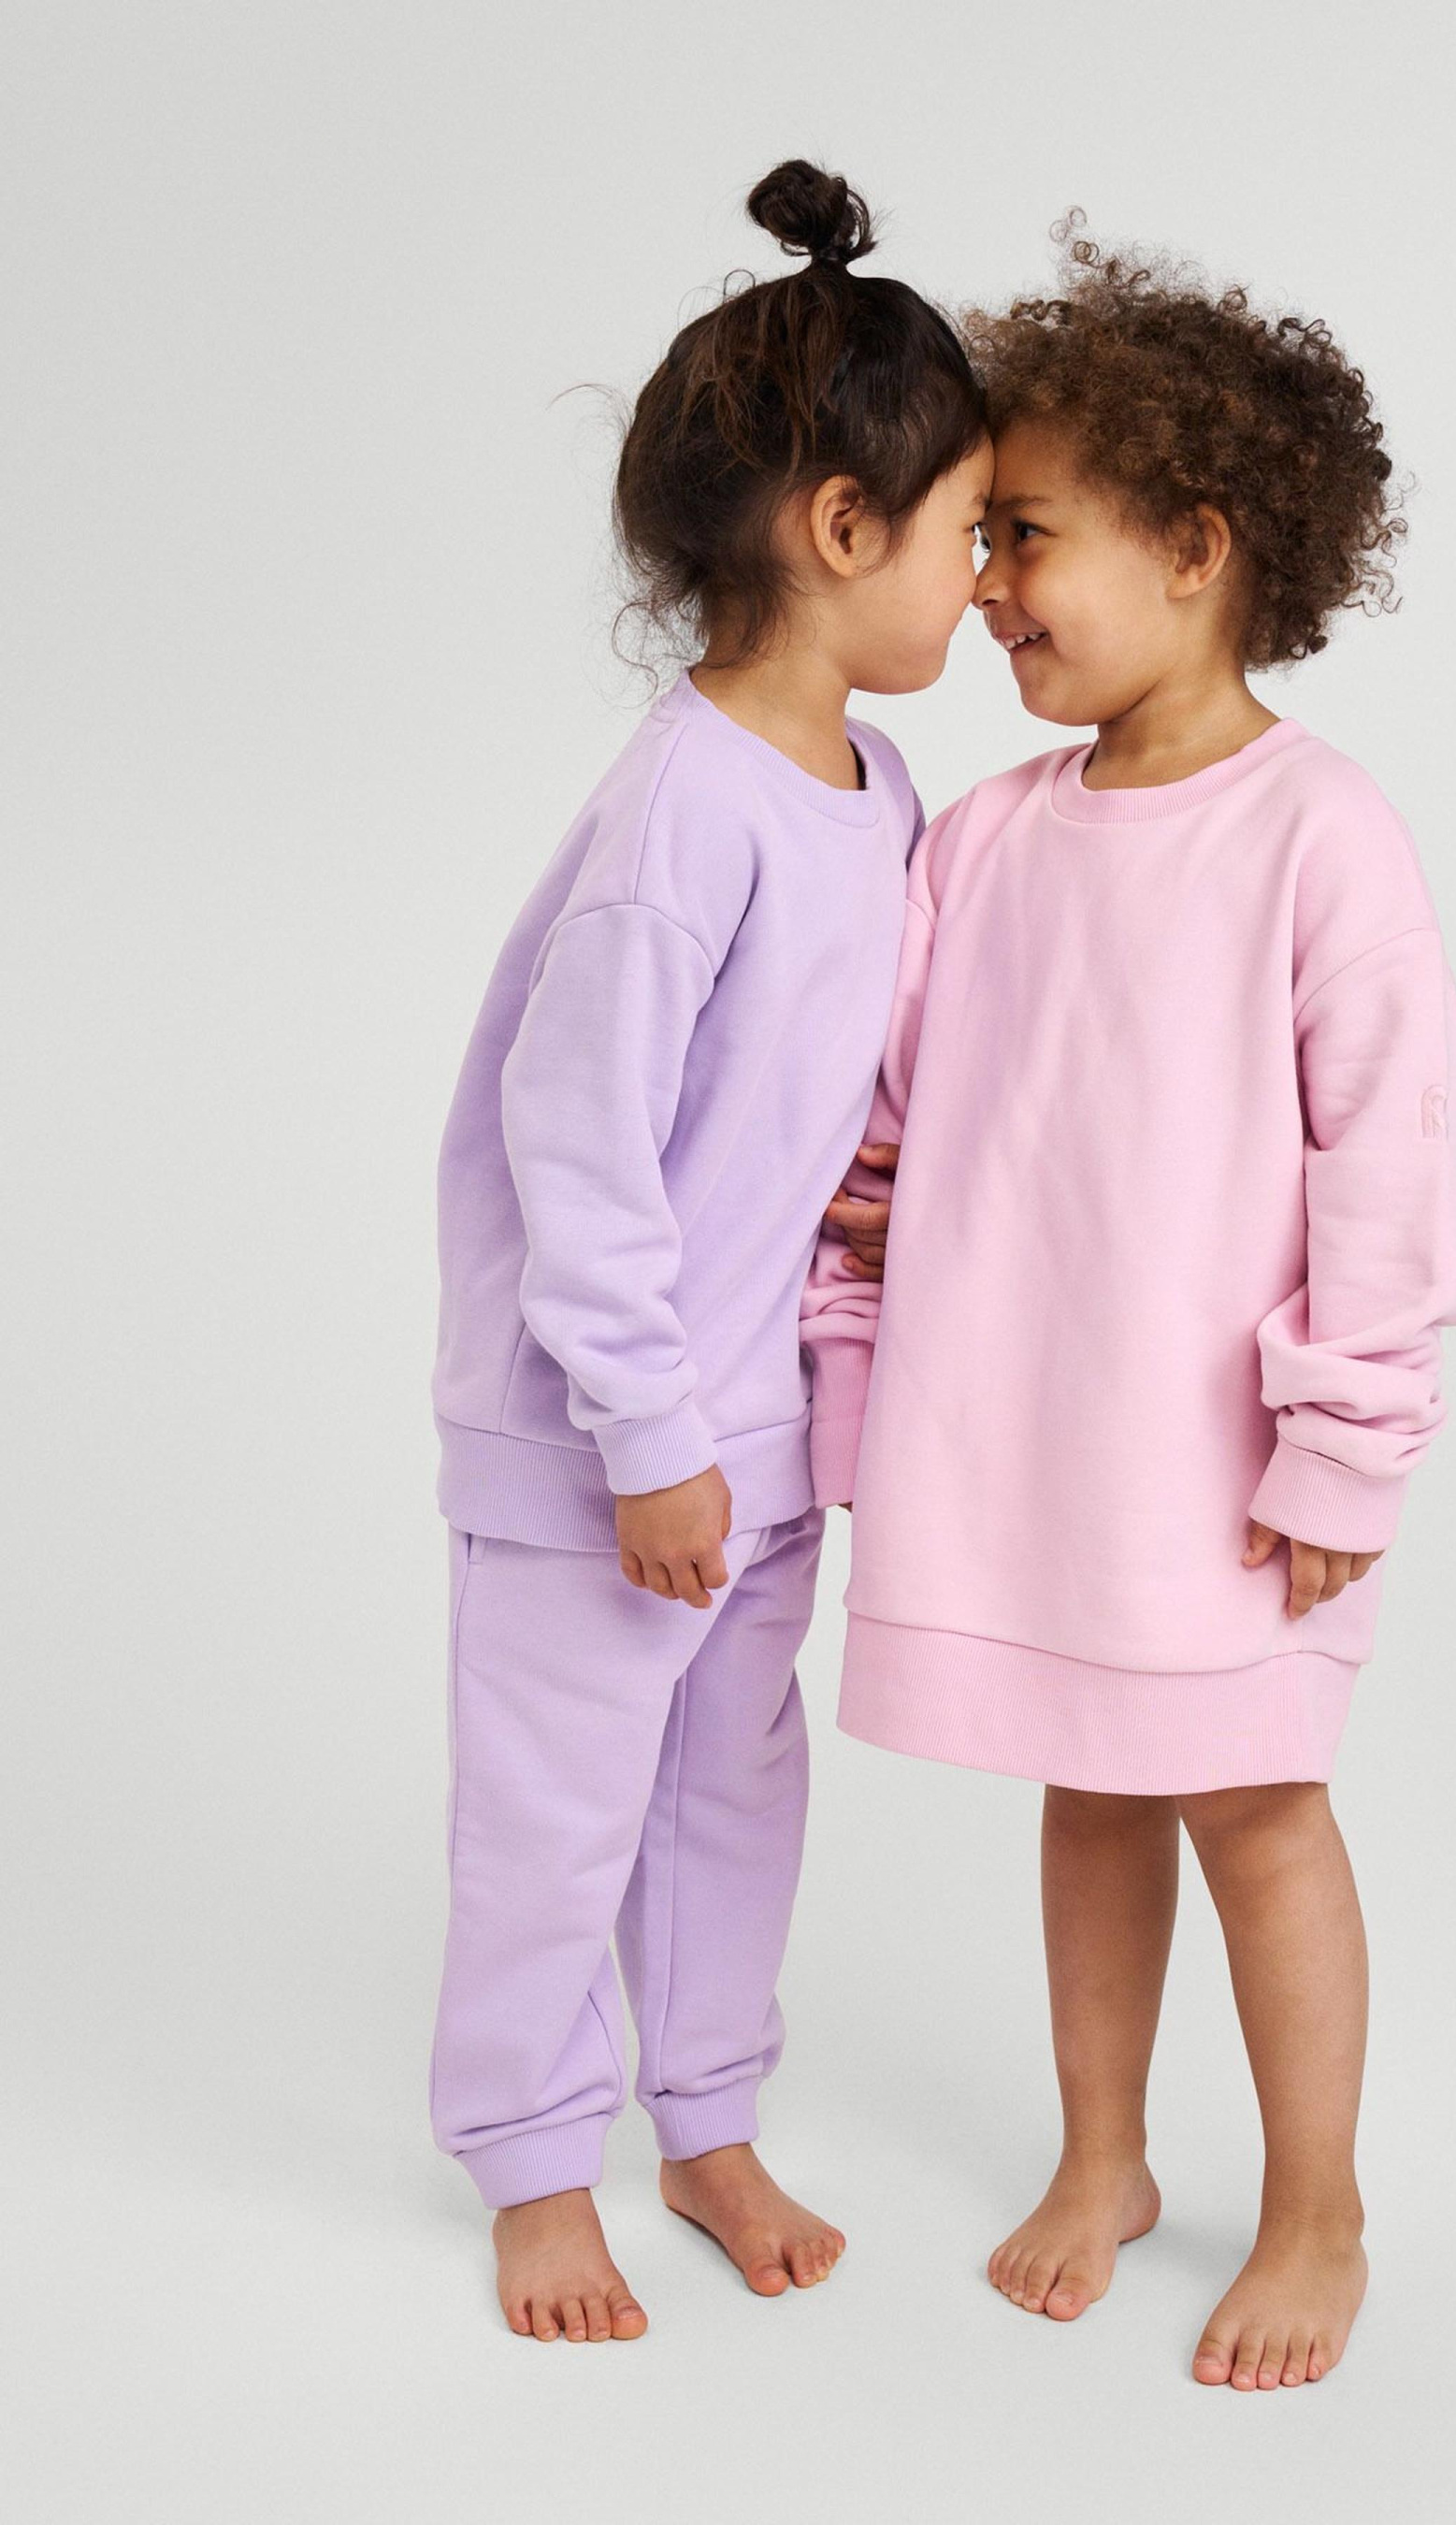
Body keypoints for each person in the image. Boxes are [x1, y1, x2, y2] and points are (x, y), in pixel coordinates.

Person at [802, 225, 1456, 2391]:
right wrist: (856, 1368)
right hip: (1034, 1444)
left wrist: (1341, 1450)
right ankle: (1099, 2154)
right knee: (1088, 1786)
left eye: (1023, 535)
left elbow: (1393, 1170)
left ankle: (1315, 2209)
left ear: (1196, 548)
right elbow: (880, 1146)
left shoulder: (1317, 836)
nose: (983, 586)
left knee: (1256, 1810)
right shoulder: (983, 840)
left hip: (1222, 1468)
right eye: (980, 539)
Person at [428, 160, 990, 2342]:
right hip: (604, 1436)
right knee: (559, 1808)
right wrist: (647, 1433)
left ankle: (706, 2116)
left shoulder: (877, 787)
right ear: (842, 528)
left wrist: (864, 1191)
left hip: (755, 1424)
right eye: (965, 531)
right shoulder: (683, 809)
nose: (980, 580)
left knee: (731, 1792)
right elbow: (571, 1141)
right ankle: (527, 2156)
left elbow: (812, 1085)